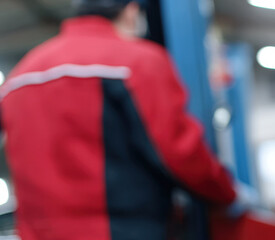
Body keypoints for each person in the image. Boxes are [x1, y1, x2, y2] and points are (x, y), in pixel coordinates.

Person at [0, 0, 240, 239]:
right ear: (131, 11)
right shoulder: (138, 62)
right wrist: (227, 193)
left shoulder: (18, 78)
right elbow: (182, 152)